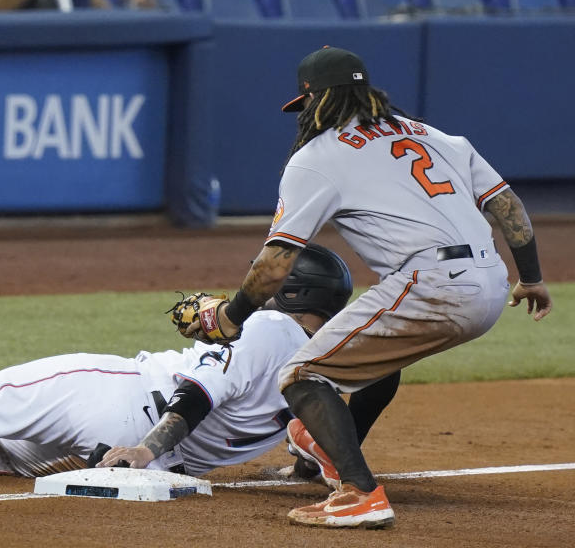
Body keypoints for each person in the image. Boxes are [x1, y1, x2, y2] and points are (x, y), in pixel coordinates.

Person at [182, 46, 552, 529]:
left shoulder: (317, 157)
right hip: (491, 281)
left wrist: (231, 317)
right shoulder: (436, 136)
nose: (305, 116)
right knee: (376, 359)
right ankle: (321, 451)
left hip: (434, 283)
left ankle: (360, 493)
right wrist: (532, 277)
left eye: (306, 104)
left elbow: (275, 264)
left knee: (302, 374)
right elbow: (510, 209)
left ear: (318, 100)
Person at [0, 245, 352, 481]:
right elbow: (313, 422)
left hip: (123, 404)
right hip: (151, 470)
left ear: (294, 293)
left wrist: (146, 444)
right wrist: (312, 463)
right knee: (18, 460)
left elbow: (199, 392)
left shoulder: (267, 328)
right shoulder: (325, 363)